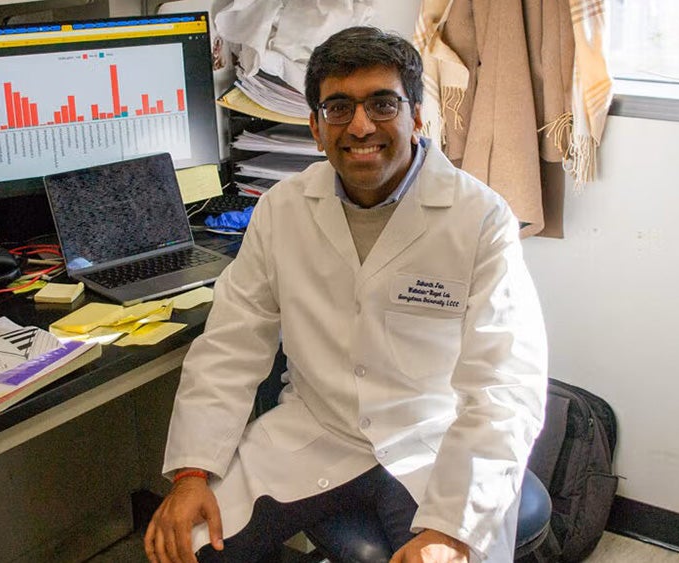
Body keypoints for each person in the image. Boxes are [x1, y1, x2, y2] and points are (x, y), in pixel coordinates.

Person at [145, 26, 547, 563]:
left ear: (417, 115)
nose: (361, 125)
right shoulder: (282, 209)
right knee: (191, 548)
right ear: (315, 126)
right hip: (314, 430)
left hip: (431, 443)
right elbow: (230, 347)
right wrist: (193, 473)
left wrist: (452, 529)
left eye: (383, 104)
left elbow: (504, 387)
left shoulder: (480, 219)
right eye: (338, 108)